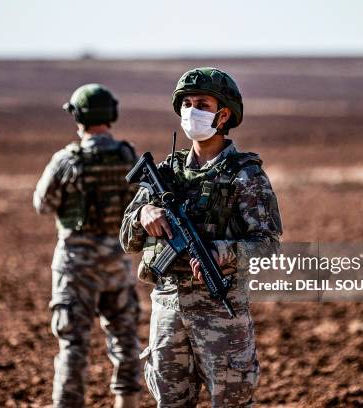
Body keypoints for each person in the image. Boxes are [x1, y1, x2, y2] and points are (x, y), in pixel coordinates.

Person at [120, 68, 283, 407]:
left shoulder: (246, 175)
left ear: (223, 114)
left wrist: (221, 251)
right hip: (167, 309)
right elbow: (127, 239)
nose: (192, 111)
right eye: (187, 103)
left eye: (203, 104)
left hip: (221, 314)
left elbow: (268, 246)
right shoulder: (164, 173)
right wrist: (142, 215)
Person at [34, 84, 141, 408]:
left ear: (78, 117)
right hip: (116, 263)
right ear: (112, 115)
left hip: (75, 266)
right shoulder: (127, 157)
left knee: (73, 344)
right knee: (124, 340)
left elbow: (43, 204)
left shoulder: (66, 160)